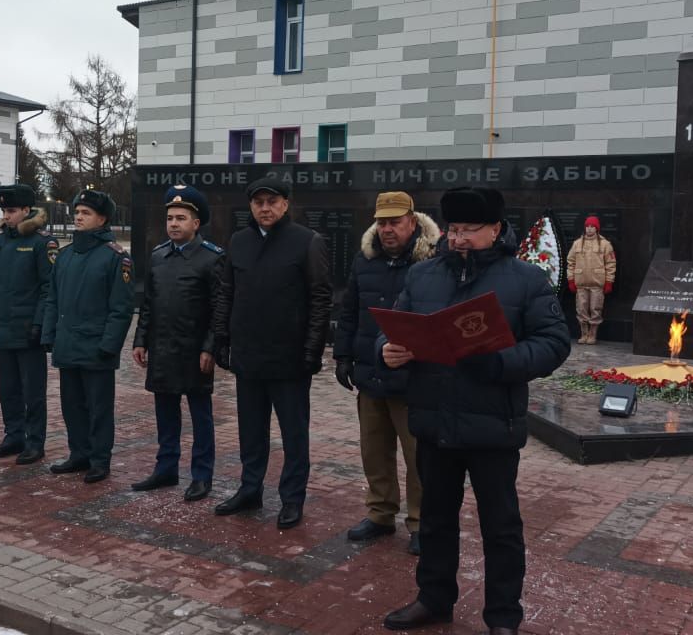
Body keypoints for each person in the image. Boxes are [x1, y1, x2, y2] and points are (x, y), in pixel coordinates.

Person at [379, 187, 570, 635]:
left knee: (500, 527)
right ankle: (434, 599)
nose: (459, 239)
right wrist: (387, 350)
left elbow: (554, 343)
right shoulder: (423, 276)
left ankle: (503, 616)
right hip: (434, 419)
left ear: (497, 230)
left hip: (492, 425)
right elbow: (397, 325)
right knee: (436, 519)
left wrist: (501, 362)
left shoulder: (525, 279)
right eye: (454, 230)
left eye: (470, 230)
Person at [211, 177, 331, 529]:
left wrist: (312, 350)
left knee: (294, 434)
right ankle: (250, 489)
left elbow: (320, 299)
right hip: (248, 355)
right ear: (251, 206)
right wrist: (222, 338)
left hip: (289, 358)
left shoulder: (307, 242)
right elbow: (226, 292)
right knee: (251, 431)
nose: (265, 208)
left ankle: (292, 498)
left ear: (285, 204)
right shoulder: (239, 241)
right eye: (258, 202)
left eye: (271, 201)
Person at [333, 191, 438, 555]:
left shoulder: (434, 262)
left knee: (418, 457)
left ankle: (421, 522)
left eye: (395, 222)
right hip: (370, 373)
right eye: (382, 222)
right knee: (374, 451)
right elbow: (349, 312)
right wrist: (343, 356)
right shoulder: (365, 260)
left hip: (416, 380)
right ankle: (380, 514)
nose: (388, 229)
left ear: (413, 221)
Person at [131, 184, 223, 501]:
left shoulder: (212, 259)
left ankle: (202, 476)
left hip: (195, 352)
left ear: (196, 223)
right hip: (163, 349)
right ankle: (165, 468)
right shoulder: (158, 256)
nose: (173, 224)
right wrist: (140, 340)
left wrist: (210, 347)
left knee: (201, 416)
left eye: (181, 218)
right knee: (165, 415)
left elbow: (218, 309)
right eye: (170, 218)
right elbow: (148, 304)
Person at [41, 188, 133, 484]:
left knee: (99, 408)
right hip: (68, 344)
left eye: (86, 213)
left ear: (102, 219)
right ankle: (78, 453)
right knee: (72, 405)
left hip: (96, 347)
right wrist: (49, 334)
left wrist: (109, 346)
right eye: (77, 212)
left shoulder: (115, 257)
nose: (78, 217)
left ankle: (99, 459)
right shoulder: (65, 255)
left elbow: (121, 308)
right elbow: (52, 298)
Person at [0, 184, 58, 464]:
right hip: (4, 329)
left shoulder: (41, 242)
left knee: (32, 391)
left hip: (28, 331)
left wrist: (39, 325)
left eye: (11, 210)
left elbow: (49, 288)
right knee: (9, 388)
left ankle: (35, 441)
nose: (7, 216)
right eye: (4, 210)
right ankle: (14, 435)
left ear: (26, 210)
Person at [565, 215, 615, 345]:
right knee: (581, 309)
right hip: (581, 283)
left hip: (597, 284)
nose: (589, 229)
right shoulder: (577, 243)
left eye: (592, 226)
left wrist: (609, 281)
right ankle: (584, 333)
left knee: (595, 308)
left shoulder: (605, 245)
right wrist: (571, 279)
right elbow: (570, 262)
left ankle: (593, 334)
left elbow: (610, 264)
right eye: (587, 226)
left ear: (597, 228)